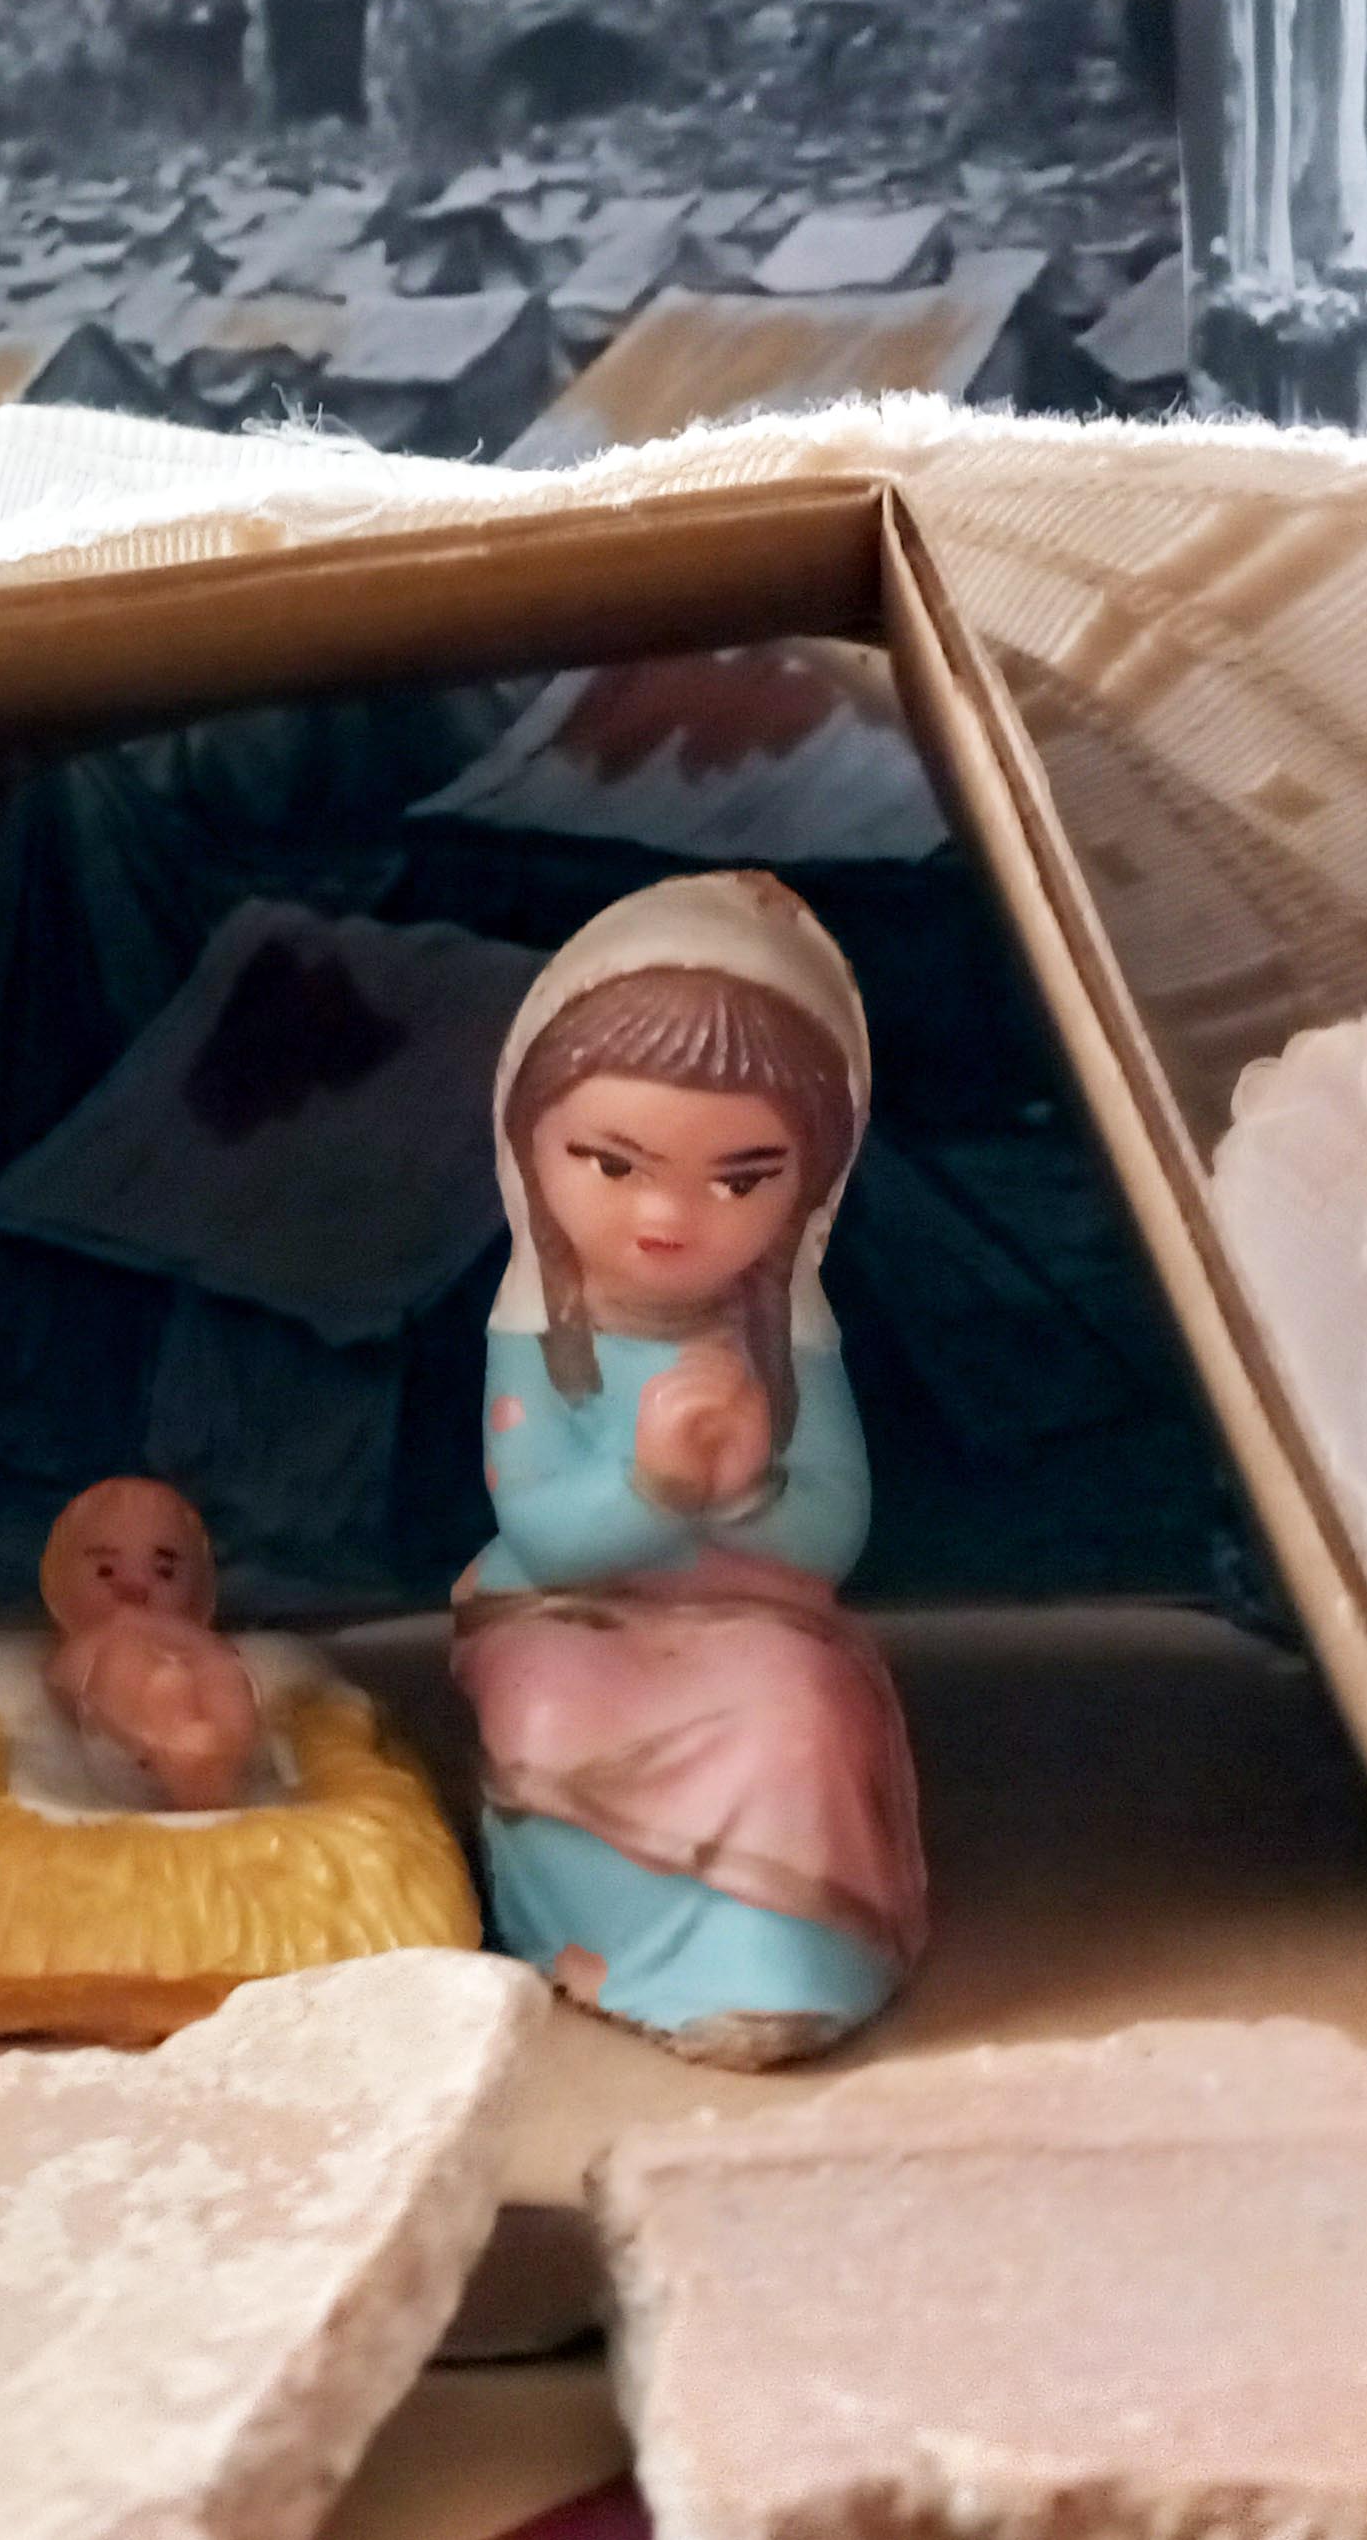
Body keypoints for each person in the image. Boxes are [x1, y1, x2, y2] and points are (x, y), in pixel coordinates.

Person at [451, 870, 925, 2068]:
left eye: (738, 1180)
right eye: (614, 1165)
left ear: (809, 1185)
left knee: (797, 1714)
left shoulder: (787, 1342)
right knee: (542, 1710)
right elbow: (543, 1532)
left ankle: (781, 1966)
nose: (667, 1218)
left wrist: (752, 1483)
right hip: (567, 1611)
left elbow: (833, 1534)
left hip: (752, 1619)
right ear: (530, 1149)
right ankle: (593, 1946)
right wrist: (655, 1486)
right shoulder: (535, 1331)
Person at [37, 1477, 269, 1813]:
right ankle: (178, 1745)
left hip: (195, 1711)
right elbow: (63, 1679)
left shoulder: (191, 1639)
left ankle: (223, 1751)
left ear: (199, 1593)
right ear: (60, 1590)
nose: (135, 1585)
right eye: (106, 1570)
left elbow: (224, 1655)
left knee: (220, 1669)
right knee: (126, 1661)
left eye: (164, 1572)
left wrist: (197, 1650)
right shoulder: (89, 1646)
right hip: (128, 1754)